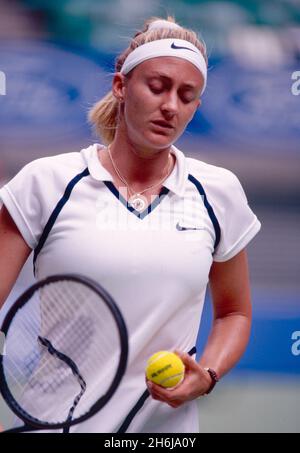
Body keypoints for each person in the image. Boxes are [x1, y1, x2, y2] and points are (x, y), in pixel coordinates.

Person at [0, 16, 261, 433]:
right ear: (121, 86)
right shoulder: (45, 183)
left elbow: (234, 313)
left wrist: (206, 374)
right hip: (51, 426)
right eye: (157, 87)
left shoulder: (219, 192)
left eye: (187, 95)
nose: (171, 105)